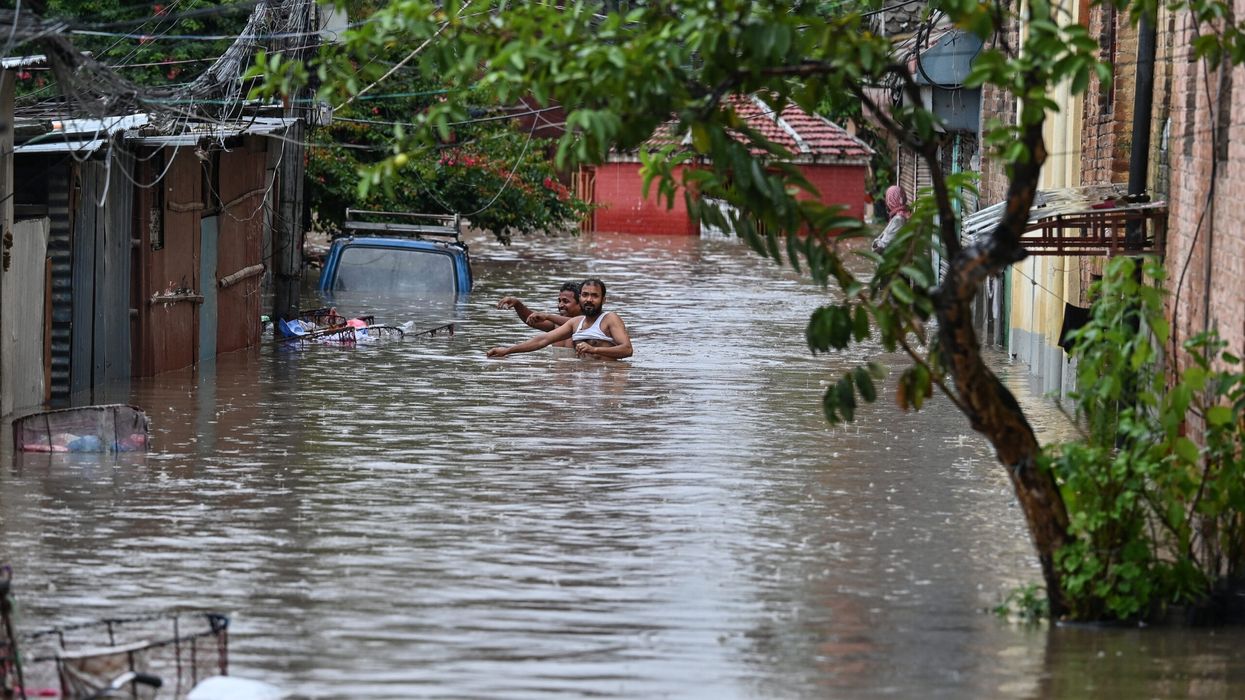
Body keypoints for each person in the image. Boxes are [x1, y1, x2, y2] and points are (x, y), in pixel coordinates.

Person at [487, 278, 633, 360]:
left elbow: (627, 349)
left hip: (607, 381)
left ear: (603, 300)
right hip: (583, 383)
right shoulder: (575, 323)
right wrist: (507, 351)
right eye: (585, 295)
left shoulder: (610, 319)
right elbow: (541, 340)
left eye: (594, 296)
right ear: (580, 297)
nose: (589, 299)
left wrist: (594, 349)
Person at [496, 282, 582, 347]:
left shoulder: (588, 324)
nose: (560, 305)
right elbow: (530, 319)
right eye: (559, 301)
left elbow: (576, 323)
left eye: (565, 301)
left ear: (580, 304)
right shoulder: (555, 325)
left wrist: (548, 316)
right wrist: (517, 304)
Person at [871, 185, 911, 253]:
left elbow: (882, 246)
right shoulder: (905, 214)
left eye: (888, 199)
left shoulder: (898, 219)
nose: (887, 202)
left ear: (892, 200)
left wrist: (875, 243)